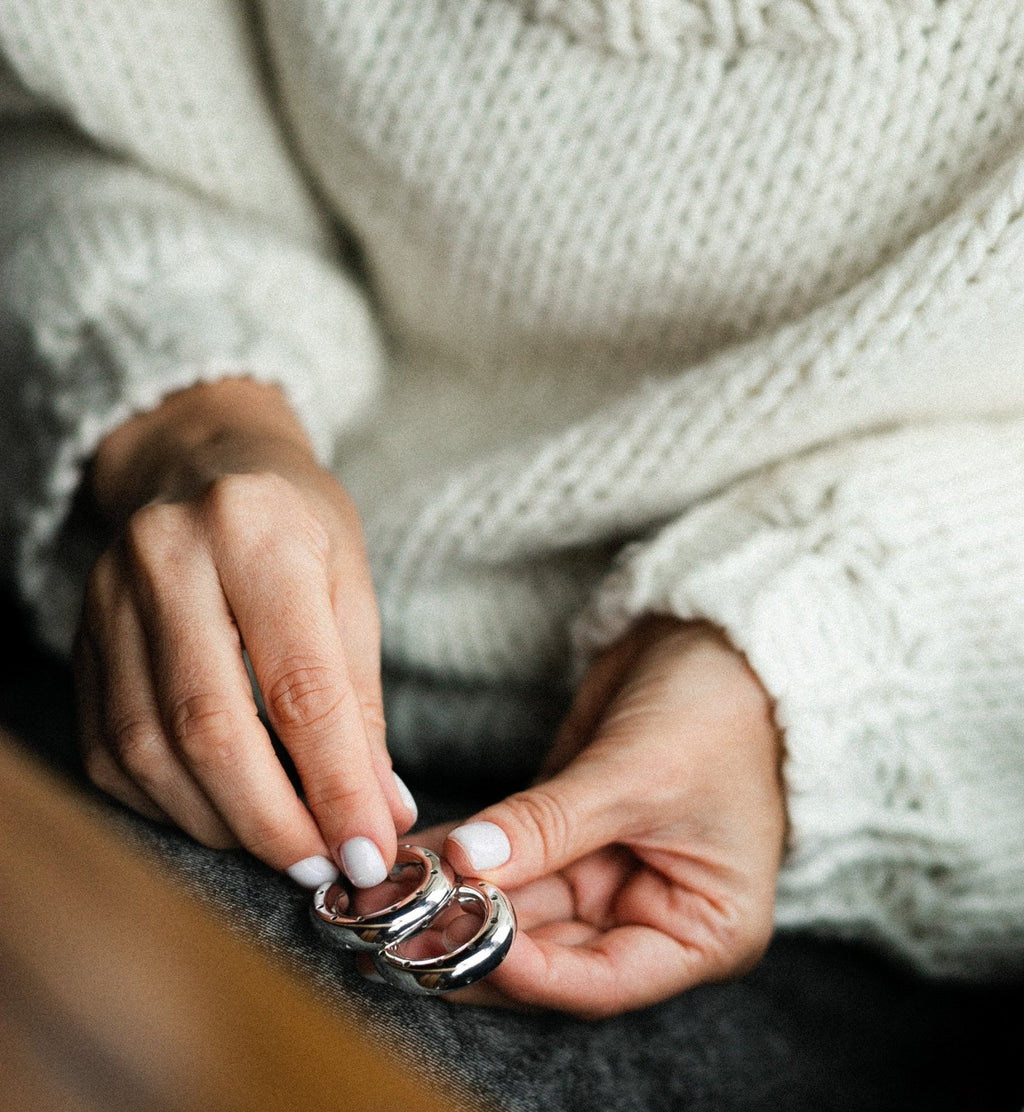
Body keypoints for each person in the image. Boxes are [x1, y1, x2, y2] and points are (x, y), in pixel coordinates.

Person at [2, 0, 1024, 1024]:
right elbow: (64, 106)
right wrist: (198, 422)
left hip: (768, 843)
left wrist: (807, 665)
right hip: (130, 587)